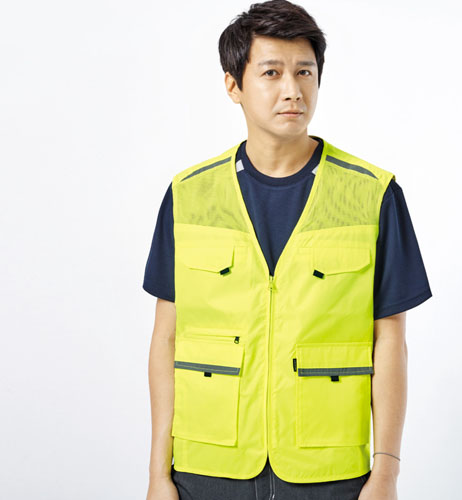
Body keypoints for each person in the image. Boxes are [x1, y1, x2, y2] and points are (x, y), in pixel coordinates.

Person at [143, 1, 432, 499]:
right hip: (207, 467)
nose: (293, 90)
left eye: (305, 72)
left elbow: (390, 342)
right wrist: (157, 474)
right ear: (233, 85)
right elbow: (166, 339)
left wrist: (385, 473)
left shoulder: (373, 194)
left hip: (329, 472)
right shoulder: (189, 195)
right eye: (271, 72)